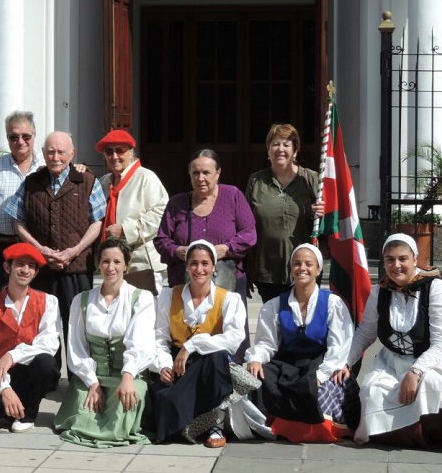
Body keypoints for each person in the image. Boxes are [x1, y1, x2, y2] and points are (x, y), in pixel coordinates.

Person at [340, 234, 442, 448]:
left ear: (415, 259)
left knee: (430, 385)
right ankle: (401, 436)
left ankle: (432, 435)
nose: (396, 265)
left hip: (432, 359)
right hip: (392, 361)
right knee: (372, 392)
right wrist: (345, 362)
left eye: (402, 258)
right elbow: (365, 333)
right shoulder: (379, 292)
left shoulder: (435, 288)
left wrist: (415, 372)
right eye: (389, 259)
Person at [236, 243, 359, 443]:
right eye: (297, 263)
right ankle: (268, 424)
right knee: (259, 377)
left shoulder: (332, 304)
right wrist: (256, 358)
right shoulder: (275, 305)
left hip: (319, 362)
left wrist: (321, 375)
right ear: (291, 268)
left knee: (319, 387)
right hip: (288, 364)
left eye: (309, 264)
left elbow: (339, 347)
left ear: (318, 269)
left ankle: (310, 428)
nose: (302, 268)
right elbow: (267, 343)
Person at [4, 131, 106, 346]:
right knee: (42, 326)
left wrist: (74, 251)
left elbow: (97, 222)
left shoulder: (87, 181)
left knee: (77, 327)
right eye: (50, 152)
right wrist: (40, 249)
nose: (56, 157)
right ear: (43, 153)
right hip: (42, 268)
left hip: (77, 268)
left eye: (61, 152)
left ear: (72, 154)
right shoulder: (31, 182)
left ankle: (78, 376)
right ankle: (47, 377)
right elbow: (18, 222)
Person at [154, 149, 256, 362]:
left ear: (218, 173)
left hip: (226, 284)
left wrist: (225, 249)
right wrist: (178, 251)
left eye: (207, 172)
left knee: (229, 340)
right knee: (185, 339)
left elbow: (249, 234)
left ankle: (231, 381)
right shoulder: (177, 203)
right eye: (195, 173)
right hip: (186, 286)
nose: (201, 178)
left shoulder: (233, 196)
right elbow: (161, 240)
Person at [54, 237, 156, 448]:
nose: (111, 267)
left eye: (117, 262)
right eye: (106, 261)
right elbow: (76, 347)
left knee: (120, 418)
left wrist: (128, 377)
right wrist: (92, 382)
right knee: (83, 417)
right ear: (98, 264)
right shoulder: (81, 300)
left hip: (128, 375)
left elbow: (142, 342)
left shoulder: (141, 298)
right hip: (93, 377)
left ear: (126, 265)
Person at [150, 240, 246, 448]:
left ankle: (215, 425)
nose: (199, 269)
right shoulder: (169, 296)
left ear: (214, 267)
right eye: (193, 263)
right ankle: (189, 425)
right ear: (186, 266)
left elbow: (234, 338)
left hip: (211, 364)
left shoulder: (228, 299)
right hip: (178, 364)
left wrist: (191, 346)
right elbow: (159, 338)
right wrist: (164, 364)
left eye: (205, 263)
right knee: (167, 401)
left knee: (216, 357)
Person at [0, 242, 61, 433]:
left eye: (31, 266)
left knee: (46, 364)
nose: (25, 270)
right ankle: (12, 408)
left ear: (35, 273)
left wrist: (13, 355)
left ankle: (28, 413)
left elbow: (49, 344)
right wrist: (5, 389)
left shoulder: (48, 302)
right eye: (20, 264)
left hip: (30, 372)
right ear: (7, 267)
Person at [246, 124, 324, 303]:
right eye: (275, 144)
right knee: (273, 323)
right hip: (268, 269)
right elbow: (246, 226)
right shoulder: (256, 181)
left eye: (287, 144)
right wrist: (246, 269)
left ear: (295, 151)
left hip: (305, 269)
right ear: (268, 149)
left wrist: (324, 212)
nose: (280, 149)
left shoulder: (311, 179)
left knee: (302, 321)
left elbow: (329, 223)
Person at [0, 111, 46, 293]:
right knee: (3, 295)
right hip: (3, 244)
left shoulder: (46, 164)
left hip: (37, 245)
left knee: (36, 295)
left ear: (34, 136)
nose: (20, 141)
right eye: (14, 137)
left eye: (26, 136)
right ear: (8, 139)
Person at [95, 129, 168, 291]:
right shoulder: (103, 182)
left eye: (120, 150)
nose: (114, 157)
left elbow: (161, 214)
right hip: (109, 265)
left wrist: (126, 230)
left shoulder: (146, 177)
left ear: (131, 152)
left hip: (139, 262)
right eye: (109, 152)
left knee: (142, 311)